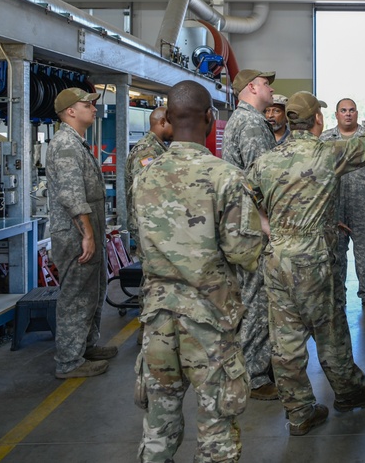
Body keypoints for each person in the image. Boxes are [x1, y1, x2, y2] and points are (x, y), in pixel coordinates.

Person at [246, 80, 365, 436]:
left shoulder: (266, 160)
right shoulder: (327, 153)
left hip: (276, 258)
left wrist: (270, 226)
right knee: (330, 328)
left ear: (291, 122)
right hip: (311, 259)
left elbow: (246, 198)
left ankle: (299, 412)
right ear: (318, 119)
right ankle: (350, 393)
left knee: (285, 339)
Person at [133, 80, 267, 463]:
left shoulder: (145, 175)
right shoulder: (225, 177)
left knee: (158, 423)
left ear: (169, 120)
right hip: (208, 321)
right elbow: (243, 253)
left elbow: (139, 240)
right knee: (216, 425)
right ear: (210, 118)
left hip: (157, 319)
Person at [45, 87, 116, 379]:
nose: (94, 108)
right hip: (75, 236)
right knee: (76, 296)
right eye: (88, 104)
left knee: (94, 290)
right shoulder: (65, 145)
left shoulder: (78, 143)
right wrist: (87, 235)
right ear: (70, 111)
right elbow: (72, 197)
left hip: (89, 231)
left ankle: (85, 346)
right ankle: (69, 361)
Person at [219, 68, 279, 401]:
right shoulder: (253, 124)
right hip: (255, 225)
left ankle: (254, 365)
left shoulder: (239, 120)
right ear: (253, 87)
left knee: (250, 297)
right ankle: (255, 375)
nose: (271, 90)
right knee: (256, 299)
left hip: (244, 222)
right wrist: (267, 219)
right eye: (267, 84)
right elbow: (262, 179)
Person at [321, 98, 365, 312]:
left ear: (357, 113)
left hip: (364, 206)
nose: (348, 114)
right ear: (336, 115)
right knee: (335, 253)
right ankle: (337, 296)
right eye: (343, 110)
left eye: (351, 110)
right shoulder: (325, 139)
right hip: (334, 208)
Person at [125, 106, 173, 243]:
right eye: (174, 124)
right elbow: (146, 191)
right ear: (162, 122)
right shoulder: (147, 151)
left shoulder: (158, 147)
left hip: (154, 226)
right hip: (148, 227)